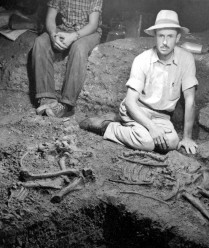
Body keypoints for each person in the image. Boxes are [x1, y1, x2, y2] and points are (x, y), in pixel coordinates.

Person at [80, 10, 198, 154]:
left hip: (162, 116)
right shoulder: (142, 59)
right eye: (161, 36)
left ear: (178, 37)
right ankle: (108, 127)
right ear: (155, 36)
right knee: (146, 142)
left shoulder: (186, 59)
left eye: (170, 36)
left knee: (172, 143)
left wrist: (187, 137)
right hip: (137, 110)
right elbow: (130, 102)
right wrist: (152, 128)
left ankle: (130, 129)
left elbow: (190, 99)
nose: (165, 42)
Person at [32, 0, 103, 118]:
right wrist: (53, 35)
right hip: (64, 28)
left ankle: (66, 104)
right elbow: (50, 18)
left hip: (88, 32)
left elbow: (93, 25)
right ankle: (47, 98)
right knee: (40, 42)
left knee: (78, 48)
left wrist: (72, 37)